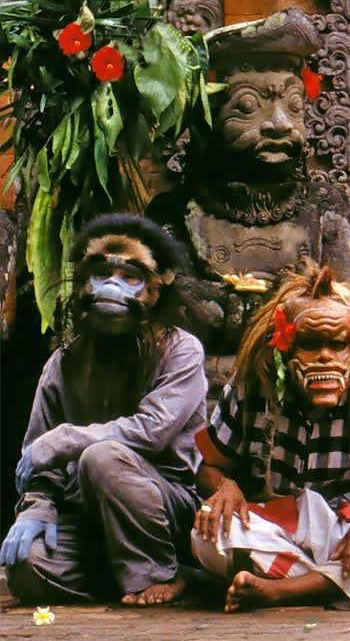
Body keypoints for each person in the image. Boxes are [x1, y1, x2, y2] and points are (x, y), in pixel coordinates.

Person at [190, 266, 350, 611]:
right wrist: (225, 488)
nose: (325, 356)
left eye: (337, 344)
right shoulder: (248, 391)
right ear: (284, 349)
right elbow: (209, 468)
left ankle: (283, 591)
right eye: (310, 345)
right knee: (207, 537)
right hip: (278, 529)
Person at [3, 214, 208, 606]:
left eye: (130, 277)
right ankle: (117, 572)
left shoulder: (181, 350)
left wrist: (66, 439)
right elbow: (37, 455)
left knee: (102, 457)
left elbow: (151, 431)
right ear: (84, 281)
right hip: (87, 511)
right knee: (27, 572)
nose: (113, 286)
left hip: (163, 504)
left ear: (154, 289)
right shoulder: (65, 361)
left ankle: (163, 571)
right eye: (102, 274)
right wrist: (37, 507)